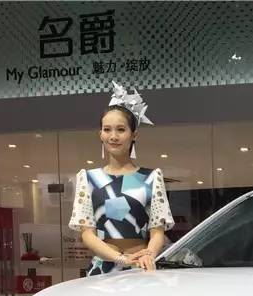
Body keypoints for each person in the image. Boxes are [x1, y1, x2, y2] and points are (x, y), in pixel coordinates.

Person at [68, 81, 174, 275]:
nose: (113, 136)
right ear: (100, 134)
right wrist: (121, 259)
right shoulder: (87, 178)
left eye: (121, 129)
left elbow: (157, 231)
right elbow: (87, 234)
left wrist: (148, 255)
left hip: (141, 266)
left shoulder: (151, 178)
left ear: (134, 135)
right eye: (107, 129)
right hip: (102, 270)